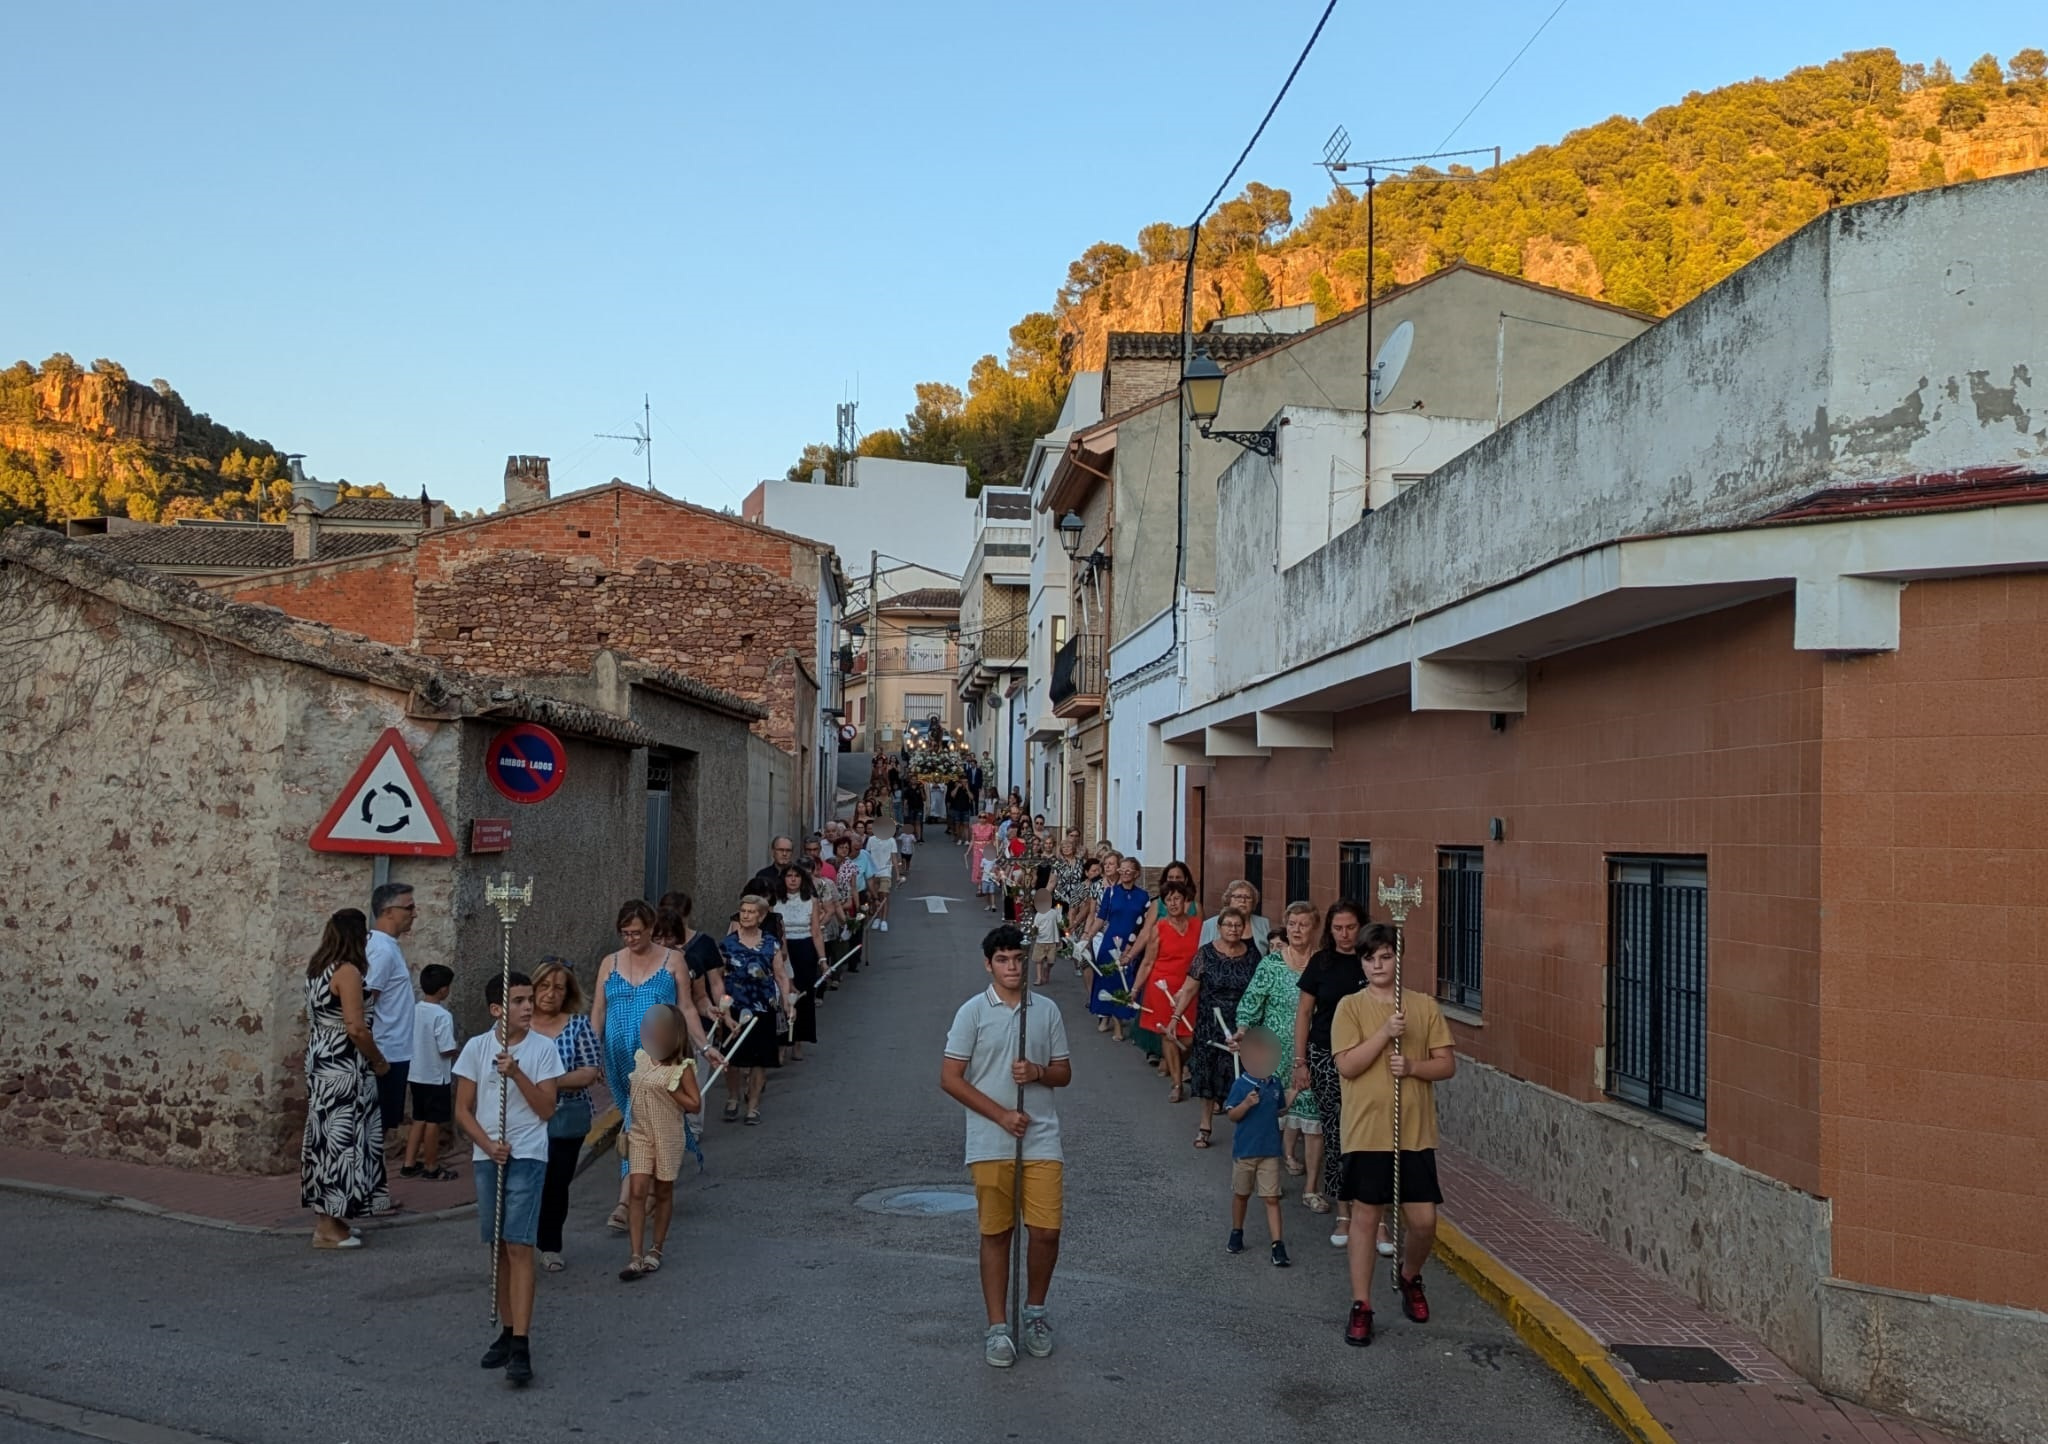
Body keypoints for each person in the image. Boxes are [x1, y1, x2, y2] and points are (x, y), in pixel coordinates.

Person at [940, 925, 1072, 1368]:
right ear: (988, 965)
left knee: (1046, 1230)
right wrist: (1000, 1115)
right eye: (1002, 960)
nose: (1012, 968)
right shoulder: (973, 1013)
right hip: (991, 1139)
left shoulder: (1046, 1010)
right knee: (997, 1232)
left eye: (1018, 959)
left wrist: (1037, 1072)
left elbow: (1063, 1072)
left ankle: (1034, 1312)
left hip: (1041, 1136)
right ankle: (997, 1325)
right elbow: (950, 1078)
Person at [1333, 923, 1456, 1345]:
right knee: (1366, 1217)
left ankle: (1410, 1275)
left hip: (1414, 1133)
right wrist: (1385, 1033)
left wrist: (1415, 1067)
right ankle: (1361, 1304)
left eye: (1386, 957)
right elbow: (1347, 1066)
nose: (1378, 965)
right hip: (1367, 1131)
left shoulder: (1422, 1006)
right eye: (1370, 959)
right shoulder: (1350, 1007)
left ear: (1399, 958)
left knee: (1423, 1221)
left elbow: (1446, 1064)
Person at [453, 970, 564, 1385]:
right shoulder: (477, 1048)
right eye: (518, 1001)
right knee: (498, 1246)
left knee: (519, 1245)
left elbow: (547, 1109)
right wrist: (487, 1144)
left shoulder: (543, 1049)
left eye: (529, 999)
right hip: (489, 1158)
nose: (528, 1006)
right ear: (497, 1009)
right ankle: (506, 1329)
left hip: (528, 1155)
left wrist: (517, 1074)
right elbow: (463, 1109)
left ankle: (522, 1342)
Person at [589, 900, 686, 1233]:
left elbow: (685, 1008)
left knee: (637, 1122)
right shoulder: (610, 962)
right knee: (642, 1123)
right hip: (618, 1058)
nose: (630, 939)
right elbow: (598, 1011)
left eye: (636, 933)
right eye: (625, 933)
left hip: (657, 1057)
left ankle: (626, 1198)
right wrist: (592, 1054)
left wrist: (705, 1047)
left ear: (651, 929)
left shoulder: (673, 961)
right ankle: (650, 1188)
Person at [301, 909, 389, 1248]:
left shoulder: (317, 969)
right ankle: (326, 1227)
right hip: (344, 1063)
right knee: (342, 1141)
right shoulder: (347, 971)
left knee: (326, 1137)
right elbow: (355, 1027)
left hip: (322, 1056)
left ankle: (335, 1218)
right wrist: (378, 1060)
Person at [1294, 900, 1376, 1253]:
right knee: (1336, 1133)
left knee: (1369, 1135)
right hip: (1325, 1055)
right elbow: (1304, 1012)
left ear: (1362, 927)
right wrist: (1300, 1062)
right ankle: (1344, 1211)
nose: (1345, 935)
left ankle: (1375, 1215)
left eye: (1351, 928)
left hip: (1368, 1057)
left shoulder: (1371, 962)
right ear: (1329, 930)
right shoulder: (1321, 963)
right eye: (1338, 928)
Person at [1237, 901, 1324, 1205]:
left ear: (1315, 928)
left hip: (1311, 1055)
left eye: (1303, 924)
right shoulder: (1271, 964)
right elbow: (1251, 1002)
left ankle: (1311, 1189)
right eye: (1292, 924)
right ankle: (1271, 1181)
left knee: (1313, 1122)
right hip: (1274, 1053)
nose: (1297, 930)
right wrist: (1243, 1029)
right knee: (1270, 1119)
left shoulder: (1322, 963)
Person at [528, 957, 604, 1273]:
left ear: (567, 993)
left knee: (555, 1185)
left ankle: (550, 1245)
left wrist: (547, 1083)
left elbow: (588, 1071)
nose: (550, 993)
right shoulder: (515, 1023)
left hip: (564, 1119)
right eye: (544, 986)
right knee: (523, 1183)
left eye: (558, 988)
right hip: (523, 1119)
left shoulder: (578, 1026)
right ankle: (517, 1243)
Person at [618, 1004, 702, 1281]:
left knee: (663, 1191)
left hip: (667, 1136)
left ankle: (656, 1248)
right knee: (637, 1190)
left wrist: (674, 1092)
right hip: (640, 1134)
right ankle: (635, 1255)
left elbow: (695, 1104)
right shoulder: (642, 1057)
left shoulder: (682, 1068)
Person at [1184, 907, 1261, 1148]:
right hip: (1210, 1023)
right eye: (1228, 925)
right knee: (1208, 1074)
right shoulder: (1205, 953)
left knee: (1240, 1076)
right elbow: (1190, 987)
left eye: (1238, 925)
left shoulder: (1253, 955)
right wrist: (1176, 1016)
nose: (1233, 929)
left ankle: (1244, 1129)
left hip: (1241, 1024)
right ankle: (1204, 1126)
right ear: (1219, 927)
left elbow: (1258, 991)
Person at [718, 894, 795, 1125]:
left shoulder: (771, 943)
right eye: (743, 911)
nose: (746, 916)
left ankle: (753, 1106)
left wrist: (787, 1002)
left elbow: (780, 975)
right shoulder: (727, 944)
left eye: (751, 912)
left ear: (761, 917)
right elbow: (718, 978)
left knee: (760, 1059)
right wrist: (722, 1007)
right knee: (732, 1058)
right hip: (735, 1007)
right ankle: (733, 1097)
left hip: (763, 1007)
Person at [1223, 1026, 1291, 1266]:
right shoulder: (1241, 1085)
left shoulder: (1275, 1084)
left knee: (1272, 1198)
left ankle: (1278, 1244)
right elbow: (1232, 1115)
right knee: (1242, 1194)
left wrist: (1295, 1092)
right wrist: (1246, 1104)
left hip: (1270, 1151)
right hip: (1245, 1152)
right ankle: (1236, 1231)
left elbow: (1280, 1110)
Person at [1129, 879, 1200, 1099]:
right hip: (1163, 988)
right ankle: (1177, 1084)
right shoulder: (1158, 929)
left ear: (1186, 901)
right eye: (1168, 900)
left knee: (1190, 1037)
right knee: (1169, 1035)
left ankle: (1176, 1063)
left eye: (1177, 898)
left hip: (1190, 987)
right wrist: (1135, 989)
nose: (1173, 903)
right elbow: (1148, 962)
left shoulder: (1198, 926)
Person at [364, 883, 419, 1155]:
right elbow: (367, 1001)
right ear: (388, 911)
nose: (414, 913)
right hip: (386, 1051)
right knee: (375, 1131)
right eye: (409, 907)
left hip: (394, 1050)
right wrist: (375, 1056)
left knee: (380, 1130)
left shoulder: (387, 947)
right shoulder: (382, 950)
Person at [400, 963, 461, 1181]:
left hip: (416, 1074)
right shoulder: (442, 1015)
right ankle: (431, 1165)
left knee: (419, 1118)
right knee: (434, 1121)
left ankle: (408, 1163)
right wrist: (458, 1051)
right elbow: (445, 1048)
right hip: (436, 1076)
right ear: (443, 990)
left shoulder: (414, 1010)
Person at [1086, 857, 1147, 1041]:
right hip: (1111, 942)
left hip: (1132, 944)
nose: (1125, 873)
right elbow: (1100, 918)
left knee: (1128, 981)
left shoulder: (1143, 896)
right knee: (1110, 980)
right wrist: (1087, 936)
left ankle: (1128, 1019)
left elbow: (1145, 924)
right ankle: (1114, 1022)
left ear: (1136, 874)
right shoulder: (1111, 892)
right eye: (1123, 869)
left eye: (1129, 870)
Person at [774, 865, 821, 1062]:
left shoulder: (811, 901)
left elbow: (816, 932)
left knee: (802, 995)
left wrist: (823, 959)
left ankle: (798, 1041)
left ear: (802, 879)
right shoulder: (775, 901)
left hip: (805, 949)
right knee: (783, 995)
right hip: (783, 950)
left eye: (796, 876)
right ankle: (782, 1043)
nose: (793, 879)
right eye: (789, 876)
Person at [1199, 879, 1271, 953]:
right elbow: (1202, 954)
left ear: (1253, 902)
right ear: (1228, 900)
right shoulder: (1210, 924)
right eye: (1238, 896)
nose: (1243, 901)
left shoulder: (1263, 923)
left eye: (1247, 897)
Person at [864, 825, 898, 933]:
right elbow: (867, 855)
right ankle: (877, 918)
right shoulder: (871, 840)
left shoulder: (891, 840)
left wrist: (897, 874)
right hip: (873, 872)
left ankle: (884, 920)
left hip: (885, 871)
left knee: (884, 896)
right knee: (875, 896)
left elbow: (894, 857)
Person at [1028, 888, 1062, 988]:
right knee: (1038, 960)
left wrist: (1059, 911)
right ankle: (1039, 978)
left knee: (1051, 961)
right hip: (1040, 941)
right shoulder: (1038, 915)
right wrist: (1033, 933)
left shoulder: (1053, 913)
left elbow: (1059, 921)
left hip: (1052, 941)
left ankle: (1047, 970)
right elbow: (1035, 927)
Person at [748, 837, 799, 901]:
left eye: (788, 850)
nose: (784, 854)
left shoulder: (800, 875)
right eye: (780, 850)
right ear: (773, 852)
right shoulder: (763, 875)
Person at [968, 809, 999, 912]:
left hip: (987, 847)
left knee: (988, 867)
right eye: (980, 817)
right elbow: (972, 840)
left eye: (984, 817)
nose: (982, 819)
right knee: (978, 867)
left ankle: (989, 886)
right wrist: (968, 851)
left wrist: (996, 851)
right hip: (977, 848)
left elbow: (994, 840)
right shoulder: (974, 827)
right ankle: (980, 887)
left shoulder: (991, 827)